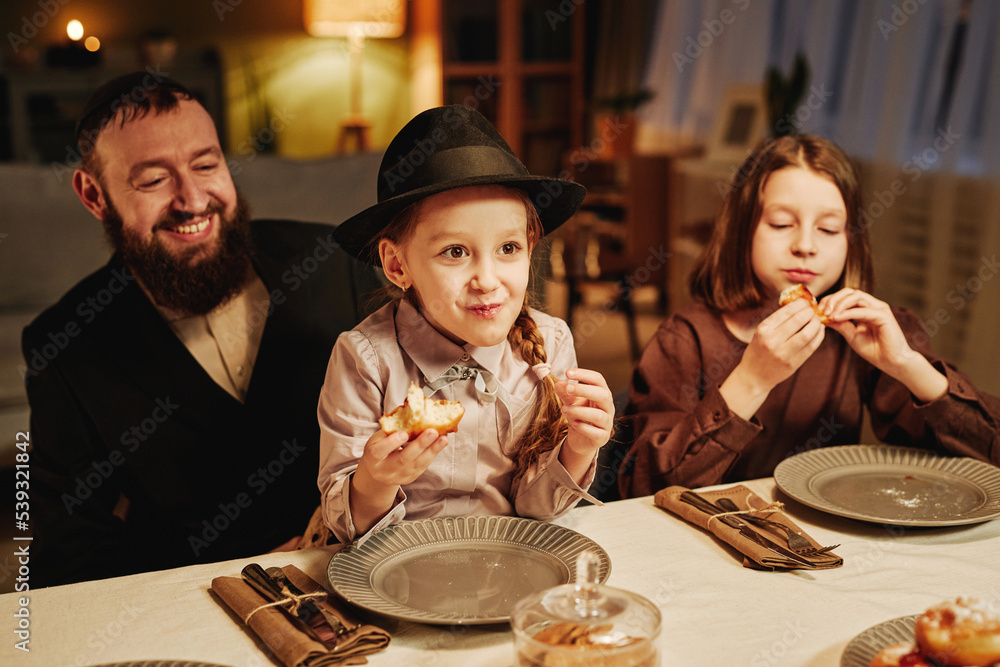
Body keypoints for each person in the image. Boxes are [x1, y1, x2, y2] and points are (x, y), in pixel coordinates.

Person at [22, 72, 382, 586]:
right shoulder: (64, 347)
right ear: (94, 195)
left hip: (362, 564)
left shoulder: (334, 261)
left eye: (206, 164)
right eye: (152, 180)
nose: (192, 200)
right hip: (198, 596)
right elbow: (69, 548)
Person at [619, 134, 1000, 497]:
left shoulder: (869, 335)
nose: (805, 245)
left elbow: (984, 459)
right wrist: (751, 380)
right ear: (742, 230)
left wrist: (905, 365)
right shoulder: (685, 340)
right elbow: (642, 488)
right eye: (782, 224)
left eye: (829, 229)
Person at [316, 105, 615, 543]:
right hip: (398, 564)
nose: (488, 281)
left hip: (508, 558)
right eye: (456, 252)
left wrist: (579, 447)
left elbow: (536, 508)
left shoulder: (550, 343)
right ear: (397, 265)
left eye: (509, 248)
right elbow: (347, 527)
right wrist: (376, 480)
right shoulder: (363, 358)